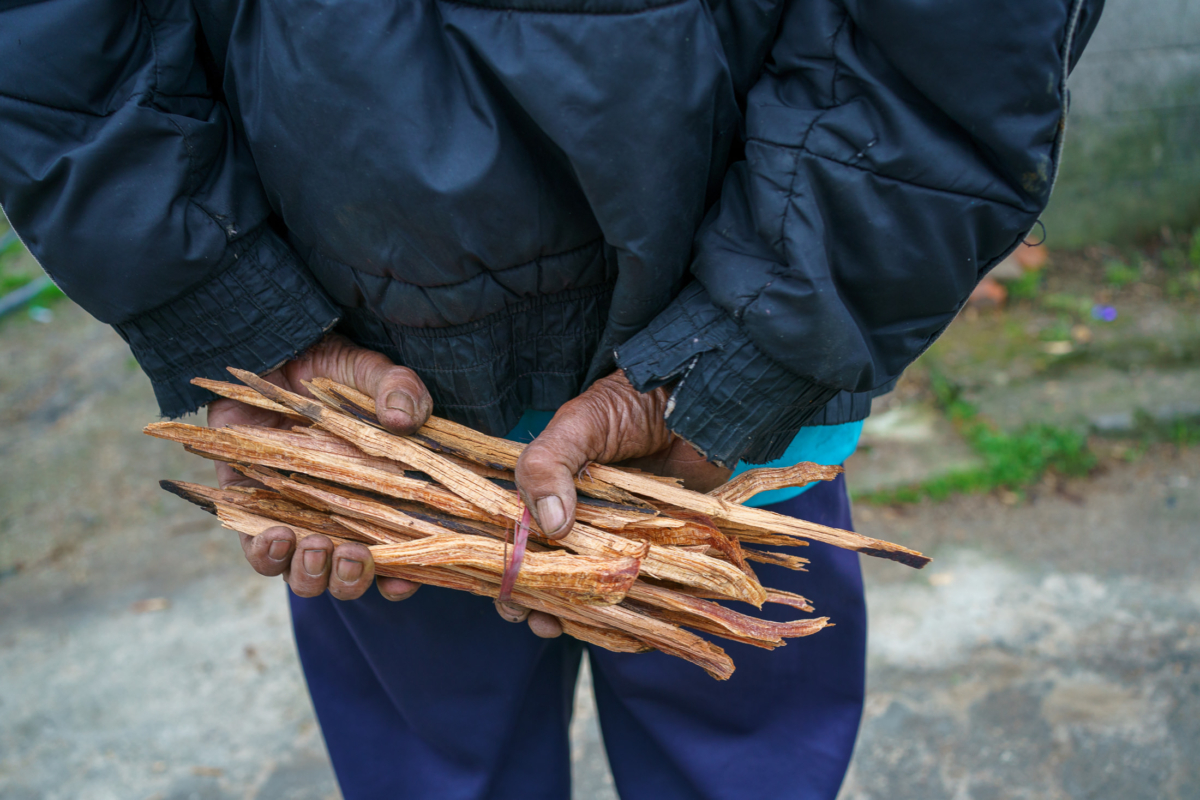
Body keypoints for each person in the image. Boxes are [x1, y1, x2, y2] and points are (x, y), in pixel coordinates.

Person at [0, 0, 1103, 796]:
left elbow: (965, 38)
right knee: (448, 757)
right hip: (376, 412)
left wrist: (748, 351)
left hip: (718, 417)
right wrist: (225, 301)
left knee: (727, 749)